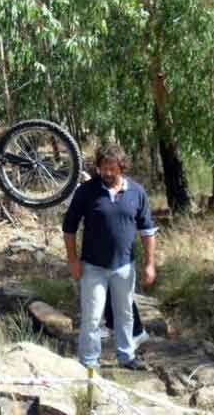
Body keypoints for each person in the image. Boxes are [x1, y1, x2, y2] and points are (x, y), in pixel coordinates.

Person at [62, 143, 157, 370]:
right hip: (92, 266)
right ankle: (89, 363)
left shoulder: (136, 192)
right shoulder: (86, 191)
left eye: (112, 168)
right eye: (103, 168)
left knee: (125, 313)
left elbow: (147, 231)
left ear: (121, 167)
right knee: (92, 316)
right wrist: (73, 260)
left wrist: (150, 264)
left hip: (124, 266)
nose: (106, 172)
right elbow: (69, 228)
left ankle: (126, 356)